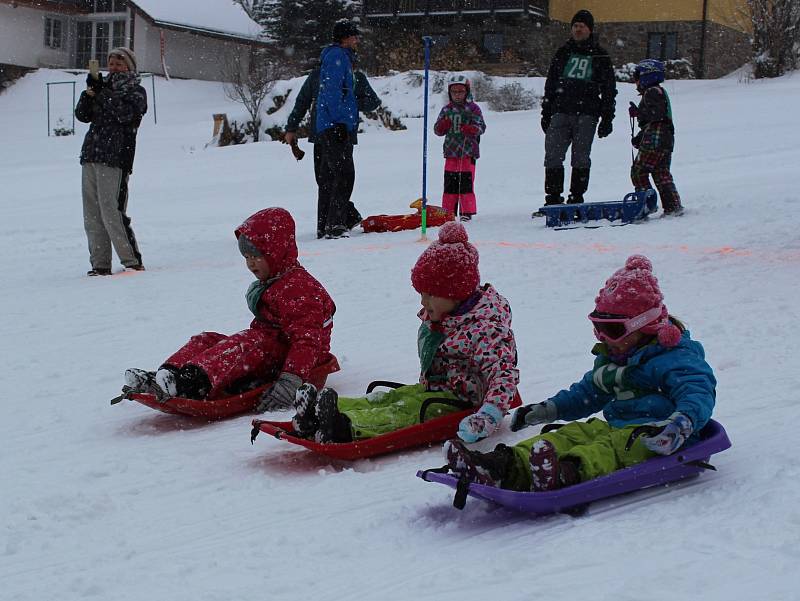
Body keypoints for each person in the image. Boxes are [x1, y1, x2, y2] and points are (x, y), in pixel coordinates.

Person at [444, 255, 716, 492]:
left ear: (644, 326)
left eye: (612, 330)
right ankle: (501, 466)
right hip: (615, 426)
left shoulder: (673, 357)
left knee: (609, 448)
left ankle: (565, 472)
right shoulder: (614, 358)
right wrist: (548, 410)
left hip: (659, 435)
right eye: (598, 328)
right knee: (568, 435)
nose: (603, 337)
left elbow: (698, 391)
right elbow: (587, 394)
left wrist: (682, 424)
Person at [288, 221, 519, 444]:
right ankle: (320, 409)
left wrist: (488, 415)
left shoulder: (486, 329)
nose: (423, 301)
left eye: (430, 295)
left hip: (462, 403)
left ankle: (344, 425)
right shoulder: (449, 316)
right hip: (434, 390)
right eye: (422, 293)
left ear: (457, 293)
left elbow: (503, 376)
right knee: (391, 398)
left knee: (408, 411)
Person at [123, 207, 337, 412]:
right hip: (271, 349)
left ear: (276, 253)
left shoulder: (299, 289)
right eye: (247, 258)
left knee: (243, 345)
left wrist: (290, 382)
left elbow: (307, 341)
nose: (251, 264)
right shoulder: (276, 280)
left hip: (298, 360)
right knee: (207, 339)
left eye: (256, 256)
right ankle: (167, 375)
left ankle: (191, 383)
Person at [284, 62, 381, 239]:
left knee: (339, 178)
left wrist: (350, 100)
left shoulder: (356, 78)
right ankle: (335, 221)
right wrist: (291, 127)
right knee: (324, 181)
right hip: (321, 135)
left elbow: (373, 102)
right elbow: (302, 101)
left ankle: (335, 223)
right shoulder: (317, 76)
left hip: (343, 135)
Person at [75, 47, 147, 276]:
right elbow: (82, 115)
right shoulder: (100, 87)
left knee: (111, 210)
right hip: (92, 153)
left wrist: (103, 93)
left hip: (115, 156)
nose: (114, 68)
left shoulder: (136, 91)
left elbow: (125, 115)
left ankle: (131, 261)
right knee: (92, 214)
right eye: (111, 63)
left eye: (119, 63)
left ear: (129, 66)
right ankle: (100, 264)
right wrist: (88, 93)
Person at [538, 9, 617, 214]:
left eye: (582, 26)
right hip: (560, 111)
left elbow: (609, 89)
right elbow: (551, 84)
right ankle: (553, 200)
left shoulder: (600, 55)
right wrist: (546, 111)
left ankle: (576, 198)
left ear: (590, 29)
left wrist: (607, 117)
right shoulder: (563, 52)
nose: (578, 29)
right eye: (575, 26)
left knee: (581, 157)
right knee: (553, 156)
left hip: (587, 114)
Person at [629, 59, 684, 216]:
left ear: (647, 75)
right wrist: (640, 136)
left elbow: (656, 116)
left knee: (639, 171)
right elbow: (657, 117)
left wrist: (639, 113)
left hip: (656, 136)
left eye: (637, 76)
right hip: (666, 137)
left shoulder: (652, 92)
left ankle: (645, 204)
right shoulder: (659, 91)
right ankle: (673, 206)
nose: (636, 81)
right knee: (661, 172)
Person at [433, 75, 486, 222]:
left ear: (466, 91)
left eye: (460, 91)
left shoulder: (473, 109)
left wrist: (471, 129)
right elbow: (437, 131)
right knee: (450, 183)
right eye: (454, 92)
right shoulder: (446, 110)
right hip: (451, 153)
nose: (457, 95)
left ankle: (466, 211)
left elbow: (481, 127)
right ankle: (448, 212)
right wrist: (443, 125)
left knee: (466, 182)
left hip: (468, 152)